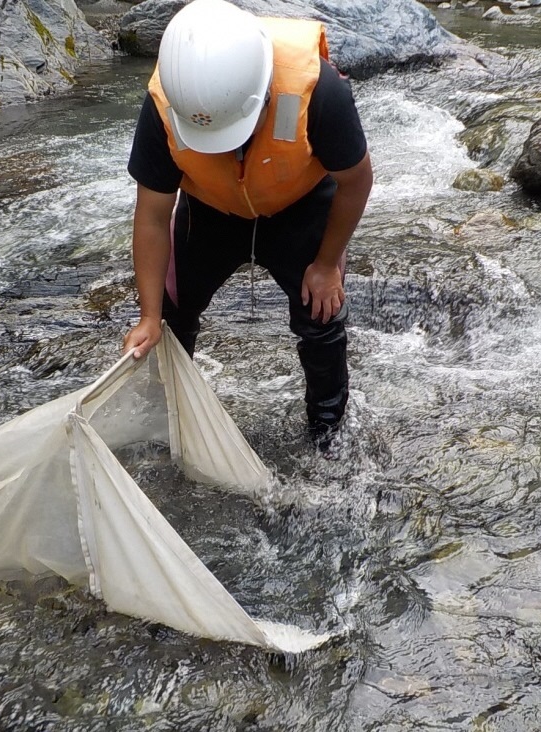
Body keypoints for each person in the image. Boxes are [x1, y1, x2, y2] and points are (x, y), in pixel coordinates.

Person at [122, 0, 373, 451]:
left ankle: (327, 431)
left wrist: (328, 264)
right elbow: (154, 213)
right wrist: (148, 315)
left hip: (299, 206)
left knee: (322, 314)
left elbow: (356, 181)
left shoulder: (319, 91)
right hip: (209, 211)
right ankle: (172, 425)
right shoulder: (166, 103)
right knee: (171, 315)